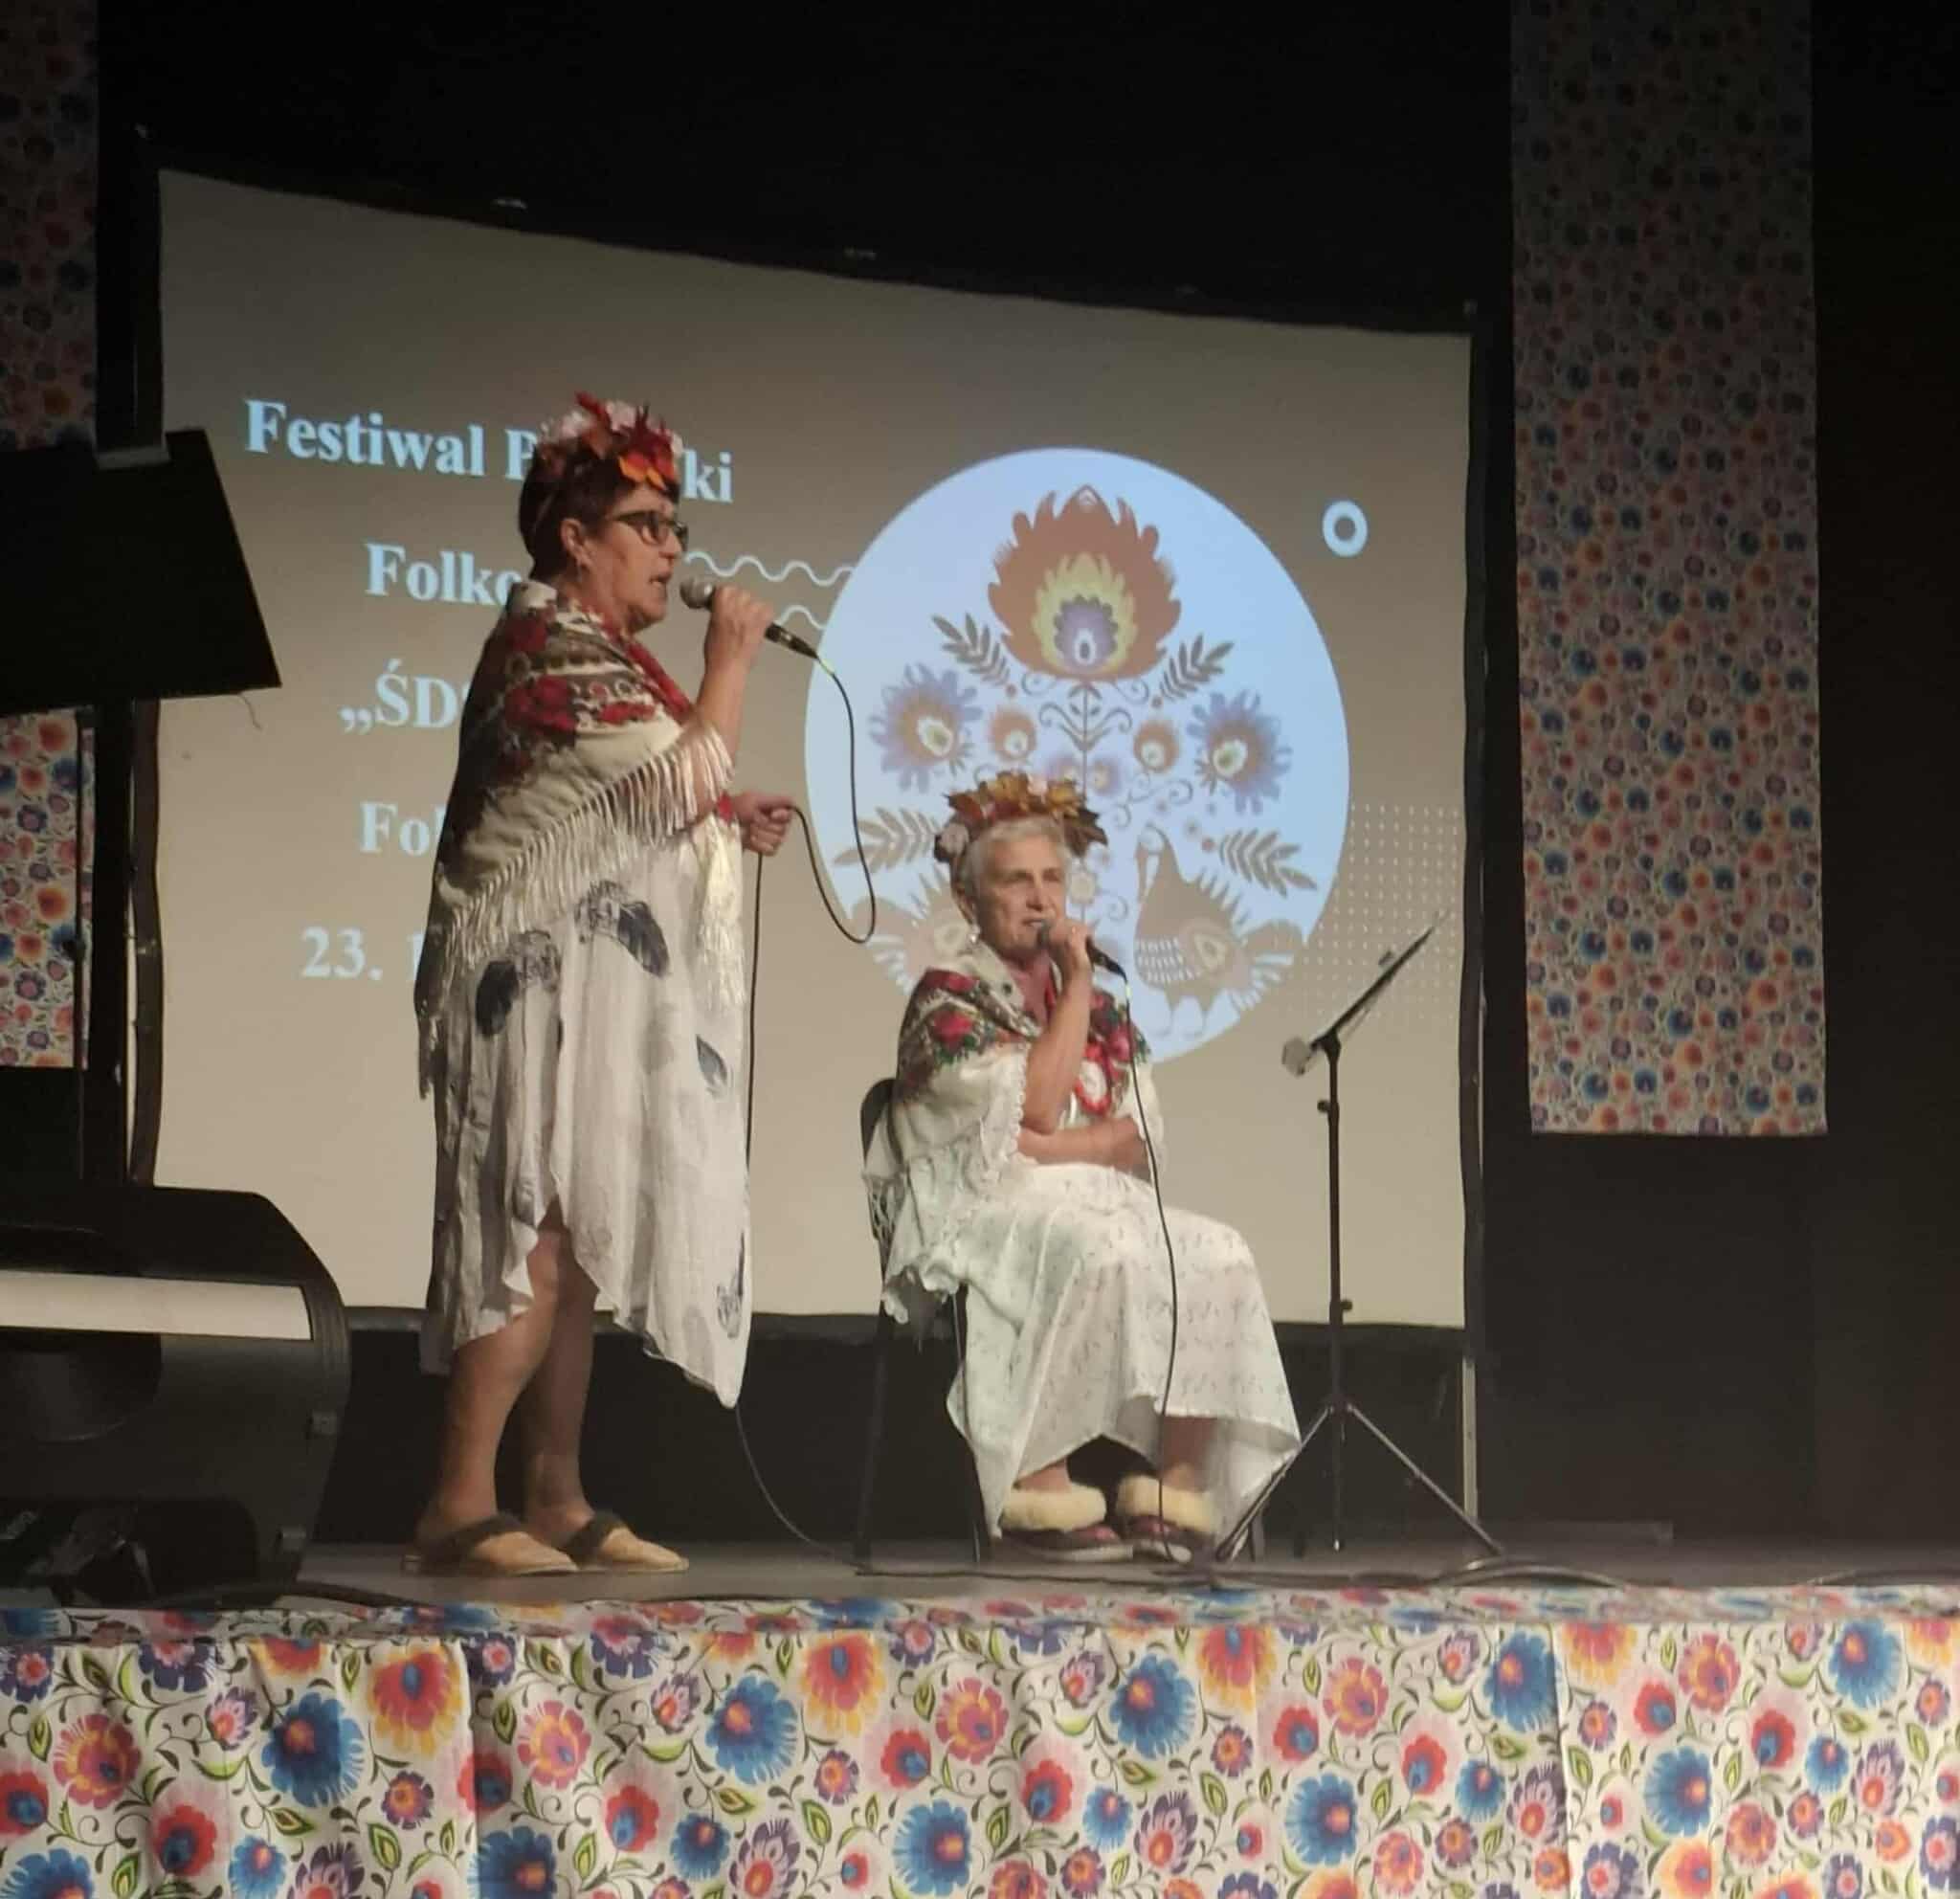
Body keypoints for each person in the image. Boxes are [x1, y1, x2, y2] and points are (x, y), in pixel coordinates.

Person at [409, 394, 793, 1578]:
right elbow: (678, 770)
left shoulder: (611, 658)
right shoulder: (547, 650)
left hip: (574, 978)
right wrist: (729, 663)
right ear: (575, 539)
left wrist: (721, 813)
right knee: (527, 1230)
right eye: (647, 524)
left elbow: (650, 794)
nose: (672, 550)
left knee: (570, 1248)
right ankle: (456, 1502)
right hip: (520, 989)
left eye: (676, 527)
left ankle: (556, 1494)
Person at [864, 772, 1301, 1560]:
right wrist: (1075, 997)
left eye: (1052, 880)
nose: (1040, 900)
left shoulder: (1107, 1008)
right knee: (1096, 1246)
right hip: (982, 1206)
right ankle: (1039, 1483)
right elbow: (1034, 1108)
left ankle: (1174, 1488)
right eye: (1015, 881)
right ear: (970, 900)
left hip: (1094, 1196)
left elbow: (1136, 1139)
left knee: (1219, 1251)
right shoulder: (948, 1000)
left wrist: (1064, 1144)